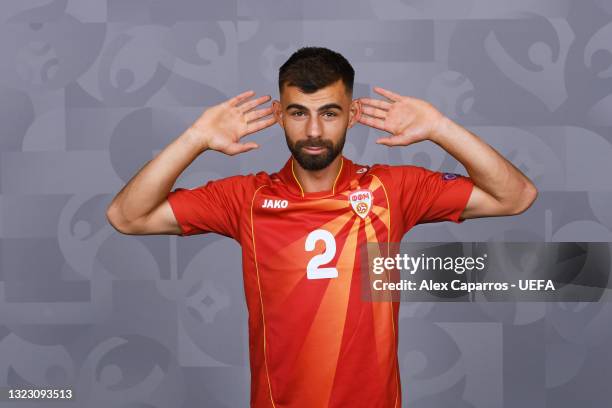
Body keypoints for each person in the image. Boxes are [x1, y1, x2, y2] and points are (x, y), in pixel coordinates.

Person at [106, 46, 537, 407]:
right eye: (298, 113)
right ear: (279, 115)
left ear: (352, 115)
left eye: (329, 113)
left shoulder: (392, 189)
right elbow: (127, 216)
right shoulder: (246, 198)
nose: (313, 130)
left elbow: (515, 196)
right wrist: (195, 137)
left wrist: (440, 128)